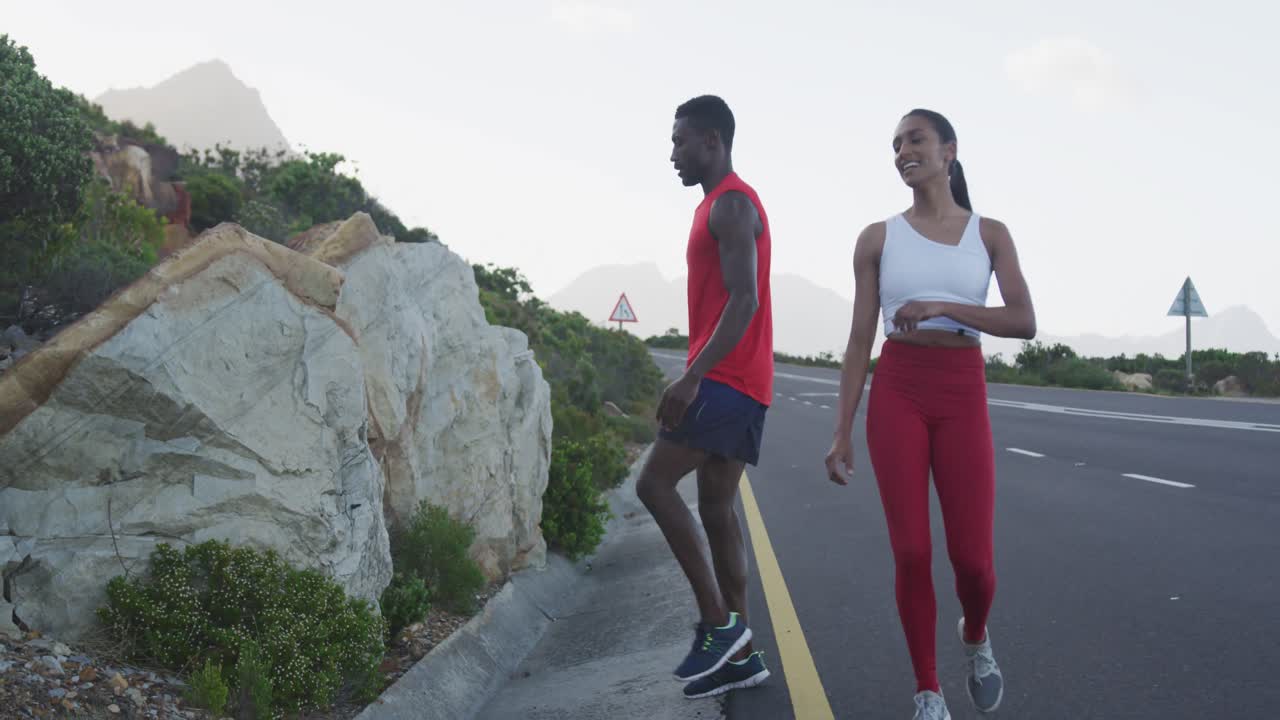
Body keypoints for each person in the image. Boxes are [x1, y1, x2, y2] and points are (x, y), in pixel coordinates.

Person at [824, 109, 1036, 720]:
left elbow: (1023, 321)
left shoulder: (989, 234)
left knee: (974, 561)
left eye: (914, 140)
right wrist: (842, 431)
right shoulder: (877, 237)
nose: (901, 152)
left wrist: (945, 305)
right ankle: (927, 691)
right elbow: (861, 339)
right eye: (895, 145)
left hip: (962, 389)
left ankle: (975, 636)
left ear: (949, 150)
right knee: (912, 551)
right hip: (899, 389)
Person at [636, 94, 773, 700]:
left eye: (679, 141)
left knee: (653, 485)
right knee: (716, 512)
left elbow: (744, 299)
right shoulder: (718, 206)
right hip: (744, 385)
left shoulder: (732, 204)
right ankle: (742, 654)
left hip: (725, 381)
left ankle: (719, 629)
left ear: (712, 141)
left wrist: (693, 375)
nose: (672, 154)